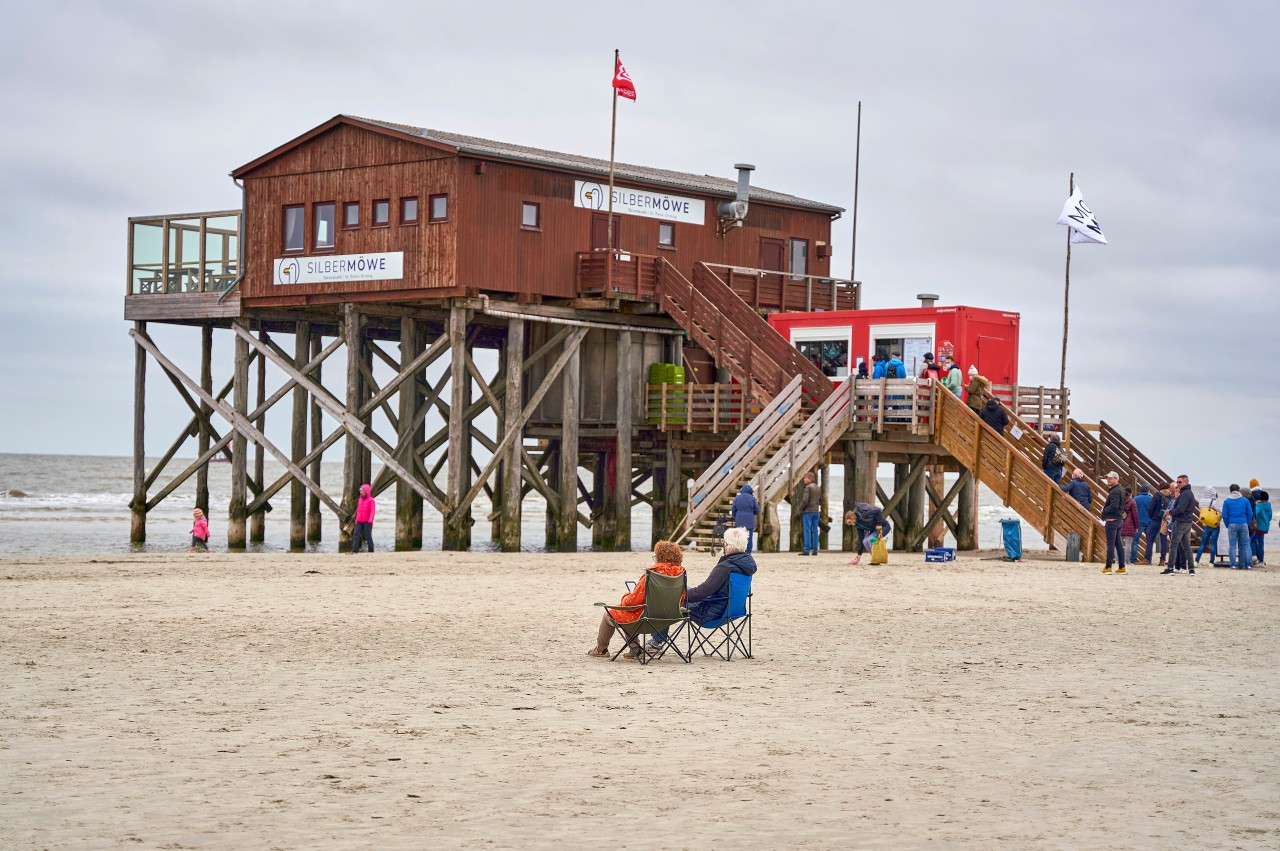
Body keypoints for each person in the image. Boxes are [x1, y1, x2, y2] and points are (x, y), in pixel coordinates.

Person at [646, 527, 757, 653]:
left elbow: (702, 592)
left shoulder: (725, 567)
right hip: (732, 611)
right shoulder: (747, 567)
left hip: (710, 614)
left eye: (724, 544)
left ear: (729, 546)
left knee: (666, 598)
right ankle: (657, 640)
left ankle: (656, 642)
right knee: (679, 590)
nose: (724, 547)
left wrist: (676, 595)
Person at [589, 541, 686, 659]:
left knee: (611, 613)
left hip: (646, 618)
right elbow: (682, 598)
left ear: (659, 557)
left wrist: (626, 596)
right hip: (669, 617)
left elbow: (631, 602)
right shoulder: (681, 573)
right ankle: (635, 649)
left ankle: (601, 649)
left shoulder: (652, 574)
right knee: (628, 612)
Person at [1163, 474, 1197, 575]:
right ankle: (1191, 569)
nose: (1177, 484)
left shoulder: (1185, 494)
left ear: (1186, 482)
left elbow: (1181, 509)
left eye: (1180, 482)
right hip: (1187, 522)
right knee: (1186, 546)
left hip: (1181, 522)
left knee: (1173, 545)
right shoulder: (1189, 493)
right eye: (1177, 482)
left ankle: (1170, 568)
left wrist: (1171, 512)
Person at [1222, 484, 1254, 570]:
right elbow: (1250, 513)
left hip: (1232, 524)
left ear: (1230, 490)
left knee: (1232, 546)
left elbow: (1224, 515)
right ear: (1239, 490)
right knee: (1246, 545)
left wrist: (1227, 524)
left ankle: (1233, 565)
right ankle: (1248, 565)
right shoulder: (1245, 500)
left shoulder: (1227, 501)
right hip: (1243, 523)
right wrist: (1247, 523)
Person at [1100, 471, 1126, 574]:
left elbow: (1114, 506)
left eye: (1110, 478)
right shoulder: (1120, 490)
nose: (1108, 480)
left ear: (1116, 479)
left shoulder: (1115, 491)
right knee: (1118, 544)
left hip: (1112, 520)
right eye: (1108, 478)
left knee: (1110, 544)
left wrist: (1104, 511)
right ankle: (1121, 567)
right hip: (1118, 520)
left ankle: (1108, 567)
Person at [1194, 486, 1221, 566]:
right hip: (1214, 526)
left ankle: (1196, 561)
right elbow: (1219, 511)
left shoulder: (1201, 501)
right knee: (1213, 544)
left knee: (1203, 543)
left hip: (1206, 525)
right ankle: (1211, 562)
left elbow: (1202, 511)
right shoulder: (1213, 501)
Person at [731, 483, 760, 555]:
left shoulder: (737, 497)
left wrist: (735, 516)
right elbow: (757, 510)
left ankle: (739, 552)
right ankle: (748, 553)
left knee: (739, 537)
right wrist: (752, 513)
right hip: (749, 520)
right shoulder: (752, 498)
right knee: (749, 538)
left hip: (739, 520)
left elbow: (733, 509)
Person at [797, 472, 822, 556]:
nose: (804, 479)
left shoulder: (808, 487)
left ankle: (806, 550)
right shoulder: (818, 487)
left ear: (809, 479)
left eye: (805, 478)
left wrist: (801, 509)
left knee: (807, 530)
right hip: (816, 511)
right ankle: (815, 549)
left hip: (808, 511)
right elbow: (820, 500)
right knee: (815, 530)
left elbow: (805, 501)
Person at [1132, 484, 1155, 564]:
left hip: (1139, 522)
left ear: (1140, 491)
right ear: (1148, 491)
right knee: (1149, 542)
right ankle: (1148, 559)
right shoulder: (1151, 499)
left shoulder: (1135, 499)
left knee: (1135, 541)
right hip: (1149, 522)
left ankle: (1134, 559)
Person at [352, 484, 377, 553]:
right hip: (359, 521)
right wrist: (356, 520)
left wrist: (370, 519)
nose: (361, 492)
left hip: (367, 522)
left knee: (368, 536)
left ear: (366, 491)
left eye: (362, 491)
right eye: (360, 491)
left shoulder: (371, 500)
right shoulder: (360, 499)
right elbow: (358, 511)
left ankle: (371, 550)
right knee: (356, 534)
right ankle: (355, 550)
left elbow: (372, 511)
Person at [1120, 486, 1140, 568]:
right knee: (1128, 544)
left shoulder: (1120, 500)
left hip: (1120, 523)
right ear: (1131, 493)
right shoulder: (1132, 502)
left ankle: (1118, 560)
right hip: (1130, 524)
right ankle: (1126, 560)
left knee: (1118, 543)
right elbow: (1135, 515)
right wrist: (1137, 526)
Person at [1253, 491, 1271, 567]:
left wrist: (1254, 519)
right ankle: (1261, 560)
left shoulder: (1259, 505)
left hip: (1258, 527)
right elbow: (1270, 517)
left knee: (1251, 540)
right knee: (1261, 544)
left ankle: (1257, 559)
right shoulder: (1269, 506)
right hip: (1265, 527)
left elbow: (1255, 513)